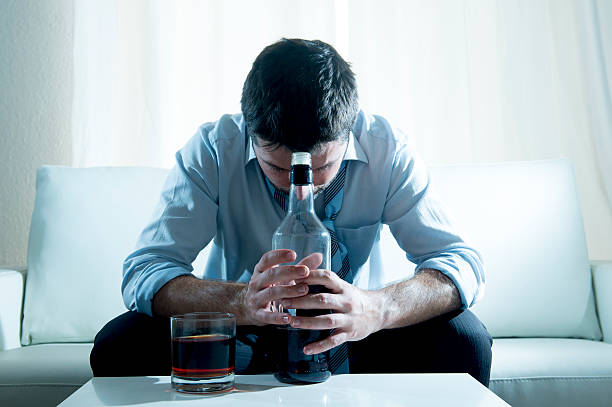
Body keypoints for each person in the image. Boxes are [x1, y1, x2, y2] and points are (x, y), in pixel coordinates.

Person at [90, 38, 492, 386]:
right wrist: (244, 301)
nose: (300, 184)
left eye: (320, 169)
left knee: (466, 339)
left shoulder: (387, 149)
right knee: (120, 343)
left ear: (348, 130)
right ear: (250, 130)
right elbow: (147, 269)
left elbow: (459, 264)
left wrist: (376, 307)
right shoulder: (213, 149)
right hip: (245, 331)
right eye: (279, 168)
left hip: (357, 331)